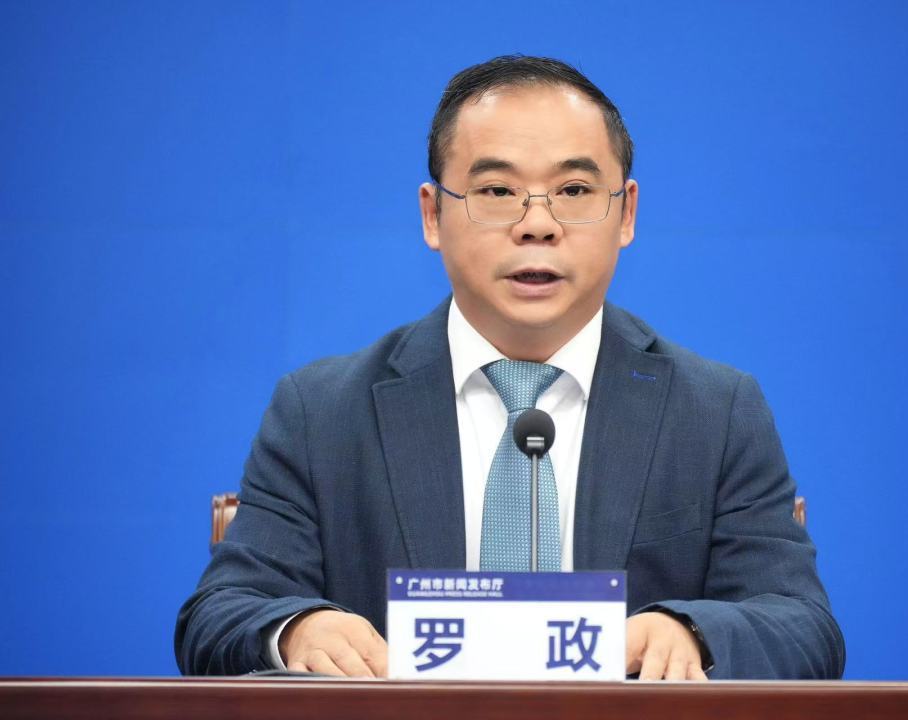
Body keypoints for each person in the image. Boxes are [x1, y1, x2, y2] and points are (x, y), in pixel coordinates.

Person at [175, 55, 844, 681]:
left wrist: (689, 632)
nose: (538, 225)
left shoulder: (715, 412)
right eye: (497, 190)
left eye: (574, 189)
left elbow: (803, 627)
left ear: (626, 213)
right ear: (433, 215)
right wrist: (298, 630)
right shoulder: (321, 412)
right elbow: (220, 614)